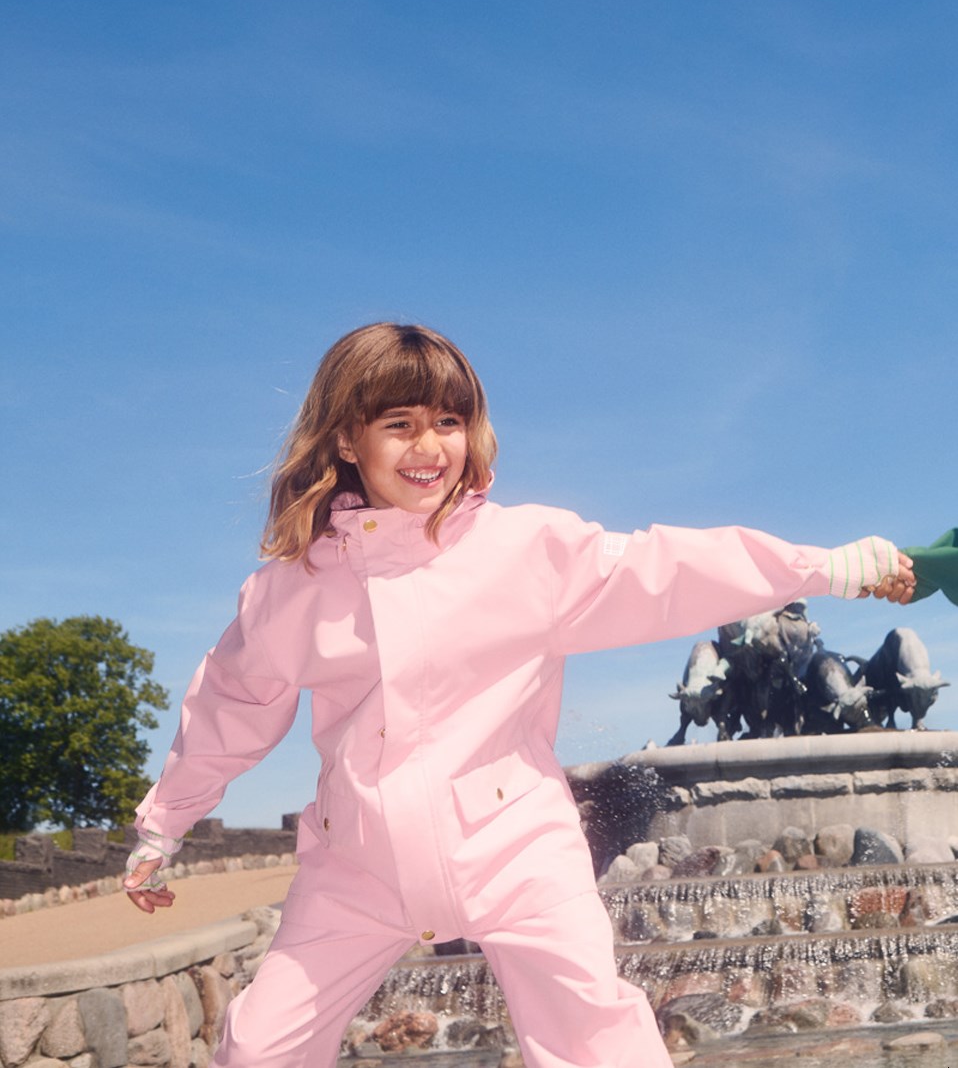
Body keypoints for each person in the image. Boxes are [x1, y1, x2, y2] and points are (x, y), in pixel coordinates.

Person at [124, 322, 915, 1068]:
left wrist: (825, 567)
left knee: (594, 1039)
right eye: (399, 424)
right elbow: (228, 707)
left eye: (448, 421)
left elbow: (667, 569)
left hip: (518, 851)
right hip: (356, 867)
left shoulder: (524, 550)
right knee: (261, 1044)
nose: (430, 447)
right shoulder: (288, 592)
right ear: (344, 437)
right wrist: (164, 826)